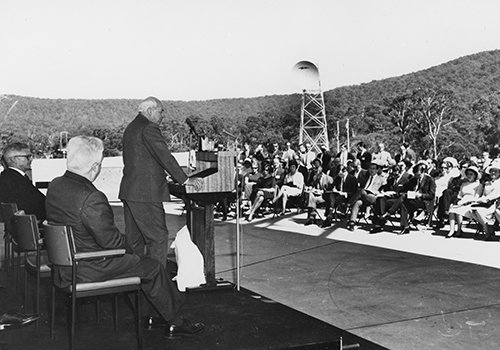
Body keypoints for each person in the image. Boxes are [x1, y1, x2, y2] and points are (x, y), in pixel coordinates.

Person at [46, 136, 204, 338]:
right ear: (95, 166)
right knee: (152, 266)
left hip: (64, 266)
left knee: (138, 263)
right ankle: (175, 321)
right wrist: (131, 249)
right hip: (88, 267)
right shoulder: (91, 197)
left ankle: (154, 314)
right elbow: (111, 242)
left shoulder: (56, 185)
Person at [119, 97, 202, 268]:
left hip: (130, 191)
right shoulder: (149, 127)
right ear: (150, 111)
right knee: (158, 238)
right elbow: (164, 156)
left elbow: (144, 159)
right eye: (161, 111)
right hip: (145, 193)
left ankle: (135, 283)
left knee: (134, 242)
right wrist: (185, 179)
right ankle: (157, 286)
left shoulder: (132, 127)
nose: (163, 115)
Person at [382, 163, 436, 235]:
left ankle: (390, 212)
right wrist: (395, 192)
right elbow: (405, 188)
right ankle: (405, 227)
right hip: (412, 200)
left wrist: (420, 195)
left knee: (404, 198)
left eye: (418, 175)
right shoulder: (414, 179)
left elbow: (431, 195)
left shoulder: (430, 180)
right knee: (403, 203)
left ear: (423, 172)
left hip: (424, 202)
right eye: (415, 175)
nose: (417, 177)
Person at [0, 142, 46, 221]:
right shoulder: (17, 181)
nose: (31, 159)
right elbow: (40, 205)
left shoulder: (6, 177)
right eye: (27, 157)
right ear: (14, 159)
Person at [346, 162, 386, 231]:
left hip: (374, 197)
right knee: (358, 202)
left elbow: (384, 190)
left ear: (377, 170)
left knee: (361, 191)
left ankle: (348, 204)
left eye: (373, 169)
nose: (371, 170)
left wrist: (378, 192)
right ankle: (352, 222)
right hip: (364, 196)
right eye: (370, 168)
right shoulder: (365, 178)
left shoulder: (381, 179)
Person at [446, 166, 483, 238]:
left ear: (475, 175)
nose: (469, 176)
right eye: (468, 174)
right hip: (462, 201)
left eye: (471, 174)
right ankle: (452, 230)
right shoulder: (464, 184)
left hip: (471, 203)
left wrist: (467, 202)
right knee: (452, 209)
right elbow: (459, 195)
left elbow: (476, 198)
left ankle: (459, 230)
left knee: (459, 211)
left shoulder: (479, 185)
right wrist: (457, 202)